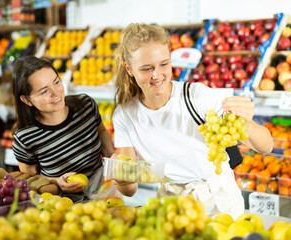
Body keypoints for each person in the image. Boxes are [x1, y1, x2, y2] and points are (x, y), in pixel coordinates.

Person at [112, 23, 273, 219]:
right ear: (129, 69)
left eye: (164, 64)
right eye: (147, 68)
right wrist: (120, 178)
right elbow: (130, 190)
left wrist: (246, 122)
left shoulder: (197, 97)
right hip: (172, 206)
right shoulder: (125, 115)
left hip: (219, 202)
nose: (157, 75)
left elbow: (266, 146)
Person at [11, 55, 136, 198]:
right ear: (27, 100)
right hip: (61, 206)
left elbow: (101, 131)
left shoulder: (85, 105)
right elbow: (29, 177)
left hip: (104, 195)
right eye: (44, 91)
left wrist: (110, 155)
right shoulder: (24, 137)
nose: (56, 92)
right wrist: (56, 182)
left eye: (57, 82)